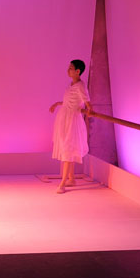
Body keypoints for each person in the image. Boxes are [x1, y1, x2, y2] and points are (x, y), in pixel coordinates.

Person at [49, 59, 93, 194]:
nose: (68, 70)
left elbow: (86, 101)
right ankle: (71, 178)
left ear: (77, 71)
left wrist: (90, 110)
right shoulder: (71, 85)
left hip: (72, 120)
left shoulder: (81, 86)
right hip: (64, 118)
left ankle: (63, 183)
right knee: (66, 146)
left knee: (68, 147)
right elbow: (69, 101)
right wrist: (57, 104)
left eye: (71, 68)